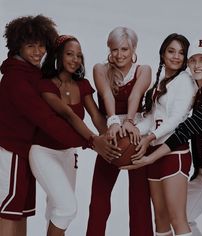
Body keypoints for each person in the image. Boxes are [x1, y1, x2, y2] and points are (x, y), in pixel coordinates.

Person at [0, 15, 118, 236]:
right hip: (12, 150)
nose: (37, 52)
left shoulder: (35, 74)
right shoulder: (18, 79)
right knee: (10, 211)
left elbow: (93, 116)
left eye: (41, 46)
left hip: (27, 151)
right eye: (30, 46)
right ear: (18, 46)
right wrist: (92, 142)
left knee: (22, 211)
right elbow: (49, 120)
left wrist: (113, 130)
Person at [122, 38, 202, 236]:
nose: (197, 65)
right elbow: (156, 118)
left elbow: (185, 128)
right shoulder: (199, 89)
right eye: (194, 60)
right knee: (185, 216)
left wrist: (150, 155)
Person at [29, 34, 116, 236]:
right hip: (43, 152)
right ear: (58, 55)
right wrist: (95, 142)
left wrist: (111, 138)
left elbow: (95, 115)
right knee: (67, 208)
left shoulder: (82, 84)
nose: (75, 59)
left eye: (79, 55)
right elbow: (67, 115)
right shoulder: (45, 85)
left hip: (68, 154)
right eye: (69, 54)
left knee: (58, 211)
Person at [124, 33, 196, 236]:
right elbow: (152, 117)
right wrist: (137, 130)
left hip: (174, 153)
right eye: (171, 51)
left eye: (181, 53)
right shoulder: (162, 81)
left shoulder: (185, 81)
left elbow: (175, 119)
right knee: (161, 219)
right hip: (155, 155)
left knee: (177, 218)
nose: (176, 56)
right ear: (162, 53)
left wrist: (149, 137)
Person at [86, 26, 154, 236]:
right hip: (112, 138)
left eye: (124, 49)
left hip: (135, 138)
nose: (119, 54)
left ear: (133, 48)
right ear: (109, 48)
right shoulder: (100, 69)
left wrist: (130, 121)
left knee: (140, 200)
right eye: (114, 49)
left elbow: (135, 96)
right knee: (99, 199)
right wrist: (114, 122)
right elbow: (106, 94)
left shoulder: (144, 70)